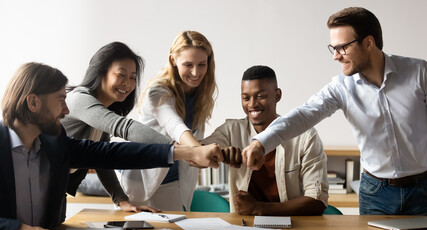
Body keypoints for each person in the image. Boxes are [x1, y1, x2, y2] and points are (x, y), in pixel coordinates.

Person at [0, 62, 223, 230]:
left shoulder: (55, 144)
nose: (66, 110)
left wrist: (184, 153)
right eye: (60, 100)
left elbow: (110, 153)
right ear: (33, 103)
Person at [242, 7, 427, 215]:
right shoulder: (341, 87)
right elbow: (303, 115)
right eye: (333, 48)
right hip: (376, 193)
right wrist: (261, 142)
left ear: (368, 43)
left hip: (423, 189)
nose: (336, 57)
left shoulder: (419, 73)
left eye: (342, 48)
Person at [62, 42, 173, 213]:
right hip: (36, 181)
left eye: (132, 77)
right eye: (121, 74)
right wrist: (180, 150)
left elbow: (101, 160)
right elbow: (123, 126)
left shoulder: (101, 111)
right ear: (100, 72)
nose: (127, 84)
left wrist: (122, 200)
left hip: (56, 185)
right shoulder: (79, 99)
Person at [202, 65, 328, 215]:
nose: (252, 104)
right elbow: (198, 152)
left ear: (277, 95)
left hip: (294, 228)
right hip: (243, 228)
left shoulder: (306, 136)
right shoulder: (231, 130)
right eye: (246, 98)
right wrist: (220, 151)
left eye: (260, 96)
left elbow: (317, 200)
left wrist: (259, 208)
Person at [120, 30, 217, 211]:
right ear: (173, 60)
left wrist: (205, 154)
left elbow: (196, 141)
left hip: (172, 181)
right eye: (188, 64)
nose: (196, 72)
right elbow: (174, 126)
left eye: (202, 64)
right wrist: (198, 153)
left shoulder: (200, 95)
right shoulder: (157, 91)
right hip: (140, 178)